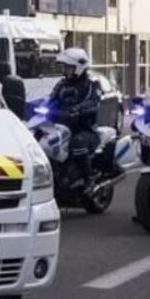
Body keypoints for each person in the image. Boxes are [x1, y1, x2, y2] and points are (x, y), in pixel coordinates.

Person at [48, 47, 102, 191]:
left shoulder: (91, 84)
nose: (65, 71)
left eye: (68, 68)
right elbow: (51, 100)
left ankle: (88, 180)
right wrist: (42, 107)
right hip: (61, 127)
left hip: (85, 129)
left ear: (79, 68)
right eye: (64, 67)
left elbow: (93, 102)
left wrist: (77, 110)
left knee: (77, 143)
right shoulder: (61, 85)